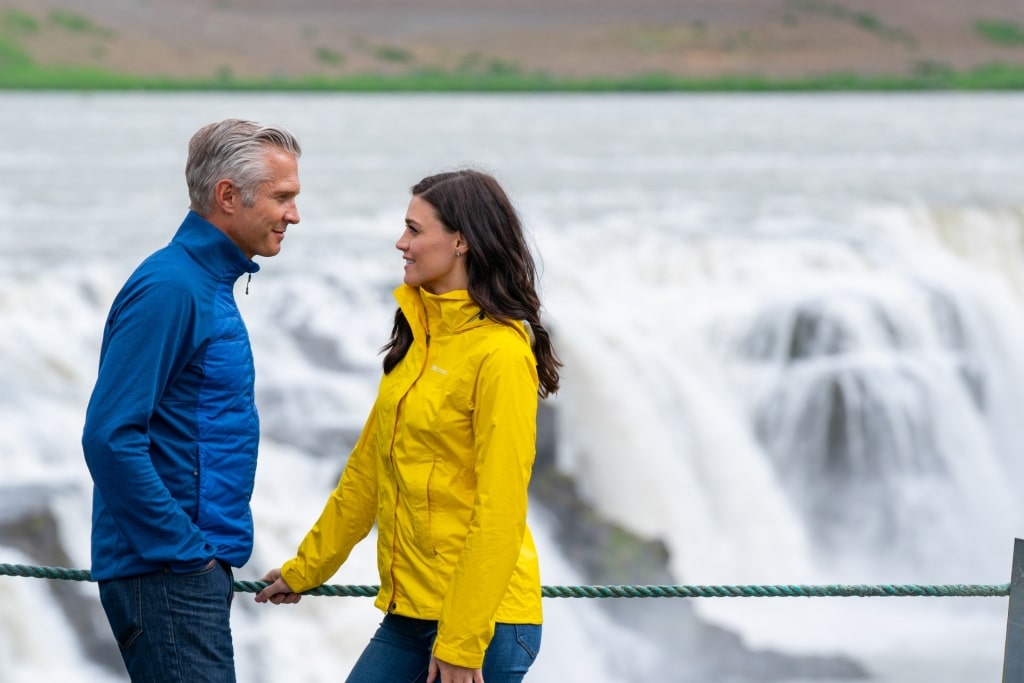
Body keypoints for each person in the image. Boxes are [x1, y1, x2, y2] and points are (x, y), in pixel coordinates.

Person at [255, 169, 560, 683]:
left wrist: (462, 642)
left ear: (461, 241)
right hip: (411, 615)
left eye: (415, 230)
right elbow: (365, 476)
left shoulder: (501, 353)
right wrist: (307, 569)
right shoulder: (419, 341)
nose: (402, 243)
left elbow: (500, 509)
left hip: (484, 624)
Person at [82, 118, 302, 682]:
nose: (294, 215)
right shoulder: (172, 287)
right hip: (167, 575)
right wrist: (184, 553)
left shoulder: (204, 283)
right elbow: (110, 435)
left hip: (185, 570)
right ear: (228, 196)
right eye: (283, 197)